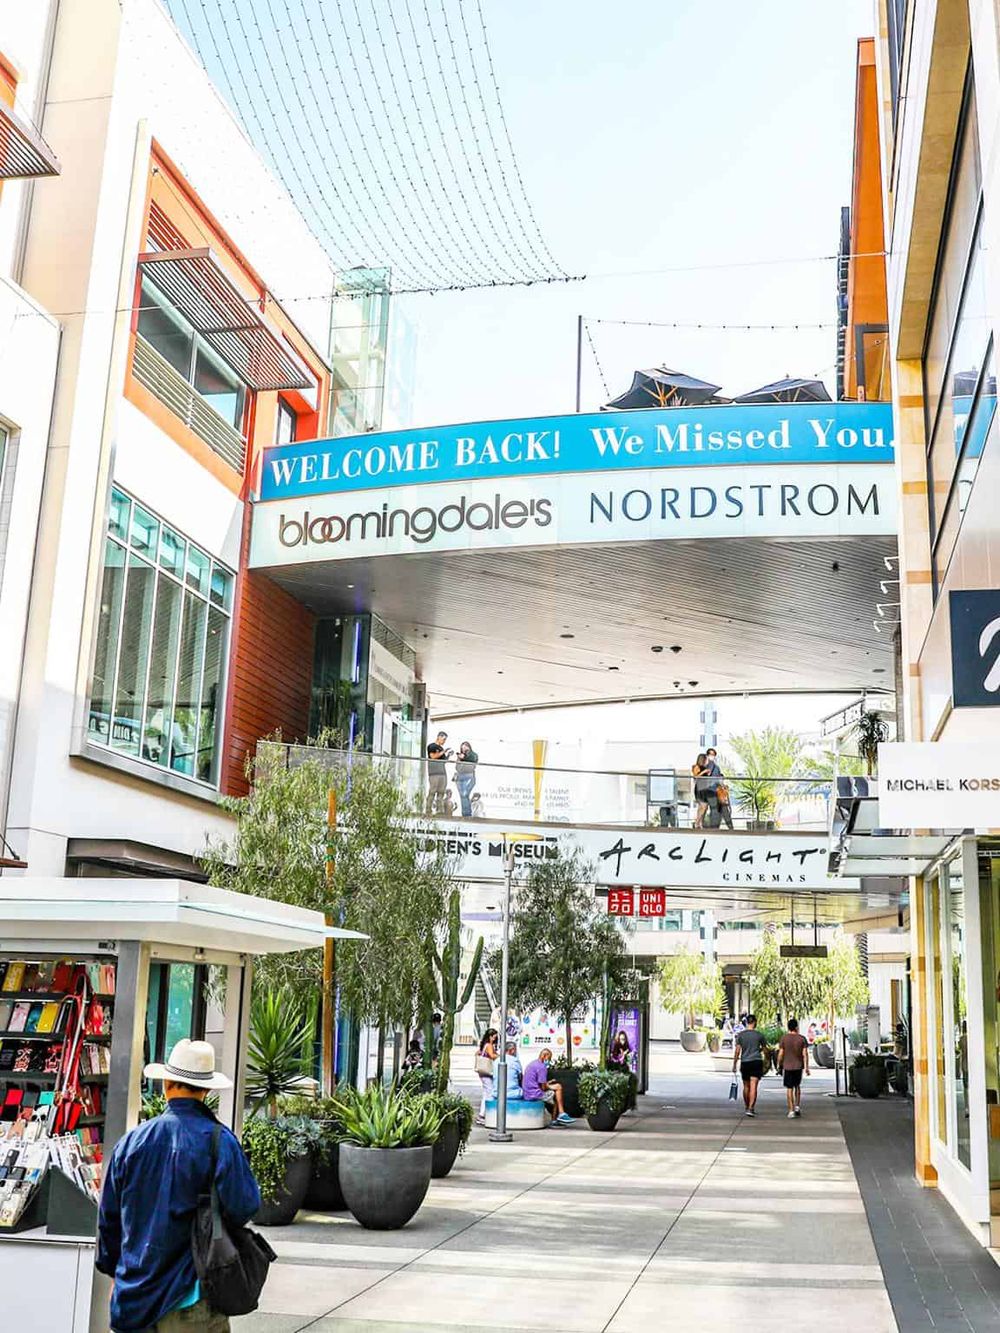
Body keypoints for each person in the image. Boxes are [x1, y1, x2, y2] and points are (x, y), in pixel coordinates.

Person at [97, 1039, 261, 1333]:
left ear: (166, 1084)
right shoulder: (219, 1142)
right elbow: (245, 1206)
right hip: (190, 1298)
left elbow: (109, 1222)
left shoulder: (130, 1144)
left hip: (132, 1300)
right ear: (206, 1090)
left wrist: (116, 1278)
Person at [522, 1048, 574, 1124]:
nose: (549, 1061)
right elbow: (543, 1088)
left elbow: (537, 1082)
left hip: (527, 1092)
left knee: (555, 1094)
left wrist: (548, 1083)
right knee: (558, 1088)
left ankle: (555, 1119)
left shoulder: (532, 1064)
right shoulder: (542, 1067)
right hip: (534, 1094)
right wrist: (552, 1086)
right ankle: (561, 1114)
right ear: (545, 1056)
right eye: (549, 1058)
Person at [732, 1013, 766, 1117]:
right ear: (755, 1022)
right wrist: (760, 1050)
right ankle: (751, 1108)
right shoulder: (759, 1035)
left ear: (747, 1022)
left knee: (746, 1086)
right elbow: (765, 1050)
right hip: (756, 1061)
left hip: (745, 1062)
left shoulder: (741, 1035)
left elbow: (737, 1051)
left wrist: (734, 1064)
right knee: (754, 1086)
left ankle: (747, 1107)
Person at [776, 1017, 810, 1118]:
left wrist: (779, 1064)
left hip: (787, 1067)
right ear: (796, 1027)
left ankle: (791, 1110)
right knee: (797, 1086)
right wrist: (807, 1067)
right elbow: (805, 1054)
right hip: (798, 1066)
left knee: (789, 1088)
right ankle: (797, 1106)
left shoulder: (784, 1039)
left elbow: (781, 1054)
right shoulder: (802, 1039)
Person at [474, 1027, 498, 1126]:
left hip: (482, 1072)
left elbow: (477, 1053)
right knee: (489, 1093)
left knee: (486, 1092)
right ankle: (482, 1115)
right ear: (490, 1037)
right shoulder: (489, 1045)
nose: (495, 1039)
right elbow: (492, 1056)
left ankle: (482, 1114)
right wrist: (501, 1056)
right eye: (494, 1037)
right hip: (487, 1072)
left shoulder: (484, 1045)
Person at [705, 748, 733, 830]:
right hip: (709, 792)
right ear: (707, 755)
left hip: (717, 791)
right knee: (715, 809)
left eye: (713, 755)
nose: (712, 756)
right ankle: (714, 828)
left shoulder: (716, 768)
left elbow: (719, 779)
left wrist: (722, 785)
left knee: (723, 808)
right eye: (710, 754)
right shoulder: (704, 767)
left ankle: (730, 827)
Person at [426, 731, 452, 815]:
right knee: (433, 791)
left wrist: (448, 755)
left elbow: (443, 761)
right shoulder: (432, 746)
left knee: (441, 792)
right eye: (443, 739)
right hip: (434, 772)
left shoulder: (441, 749)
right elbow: (433, 756)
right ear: (439, 737)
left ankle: (439, 810)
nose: (444, 741)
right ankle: (428, 809)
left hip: (442, 772)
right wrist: (443, 752)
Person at [454, 740, 479, 818]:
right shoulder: (460, 756)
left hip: (468, 776)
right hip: (460, 777)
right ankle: (465, 813)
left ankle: (467, 814)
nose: (464, 748)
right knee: (462, 795)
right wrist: (459, 759)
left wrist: (464, 756)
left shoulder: (472, 754)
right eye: (462, 746)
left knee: (465, 794)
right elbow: (457, 767)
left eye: (465, 746)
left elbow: (473, 759)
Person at [692, 752, 710, 829]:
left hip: (704, 788)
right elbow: (696, 776)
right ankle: (697, 822)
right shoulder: (696, 766)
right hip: (700, 788)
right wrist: (704, 772)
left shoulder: (705, 767)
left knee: (702, 807)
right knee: (703, 806)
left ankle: (699, 823)